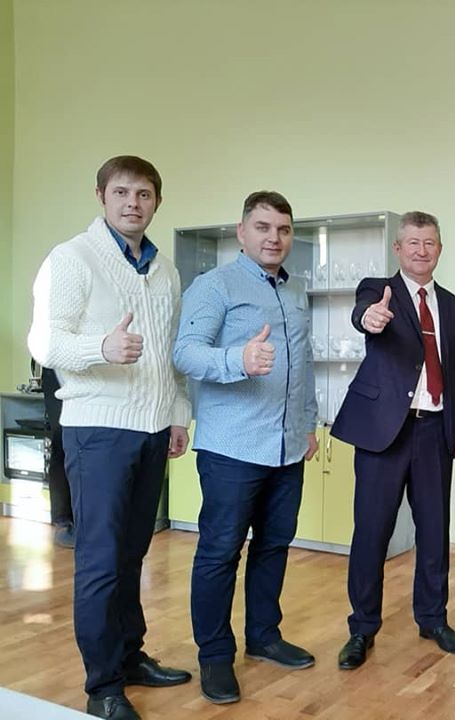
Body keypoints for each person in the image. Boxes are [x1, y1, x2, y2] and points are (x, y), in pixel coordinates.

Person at [27, 155, 192, 720]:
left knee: (132, 554)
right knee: (100, 561)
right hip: (97, 430)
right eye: (121, 192)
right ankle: (102, 687)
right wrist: (101, 348)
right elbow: (44, 343)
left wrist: (177, 413)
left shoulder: (165, 270)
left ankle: (129, 656)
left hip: (152, 430)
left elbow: (169, 354)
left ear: (156, 202)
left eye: (143, 194)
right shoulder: (71, 258)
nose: (132, 203)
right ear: (101, 196)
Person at [173, 191, 318, 705]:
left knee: (274, 545)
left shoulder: (294, 290)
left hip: (287, 446)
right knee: (219, 552)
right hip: (232, 448)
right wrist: (239, 359)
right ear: (241, 232)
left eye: (283, 229)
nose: (274, 238)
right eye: (263, 227)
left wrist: (307, 423)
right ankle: (215, 656)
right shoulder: (214, 285)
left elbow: (303, 362)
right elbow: (185, 353)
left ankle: (264, 636)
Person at [331, 211, 455, 670]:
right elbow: (364, 315)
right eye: (413, 242)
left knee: (435, 531)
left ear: (439, 249)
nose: (421, 250)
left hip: (435, 431)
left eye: (429, 243)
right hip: (383, 433)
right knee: (372, 532)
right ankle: (362, 628)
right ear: (398, 249)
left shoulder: (453, 305)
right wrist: (370, 317)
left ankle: (433, 619)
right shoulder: (378, 289)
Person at [41, 365, 74, 548]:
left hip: (92, 375)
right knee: (62, 441)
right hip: (57, 371)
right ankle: (62, 520)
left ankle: (83, 519)